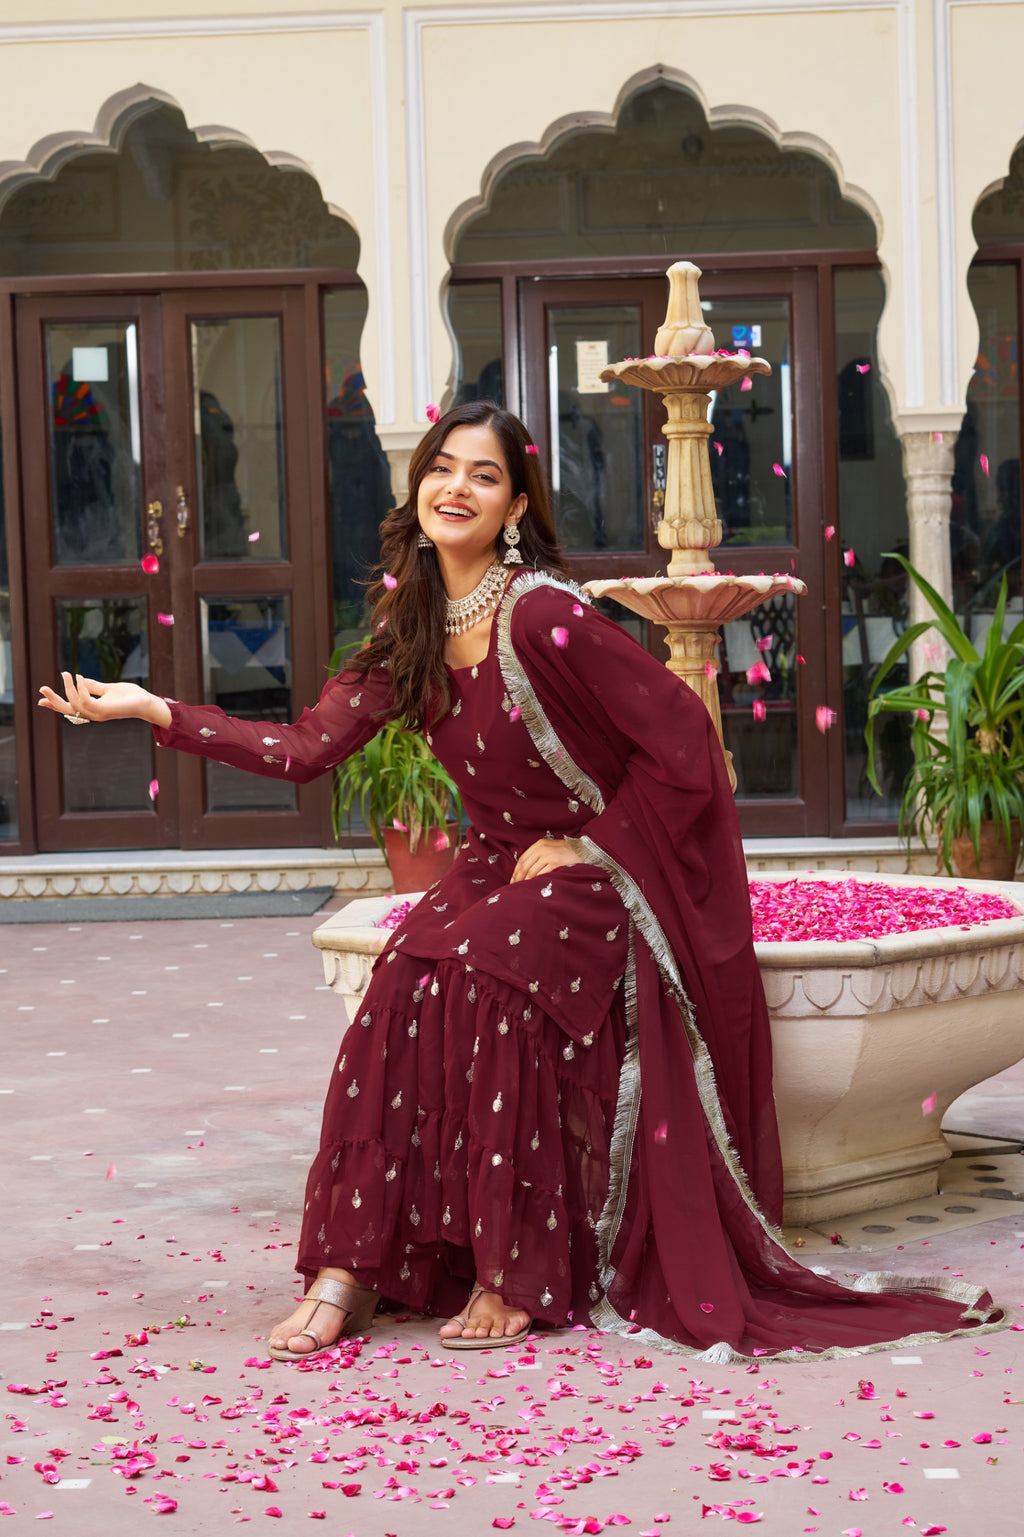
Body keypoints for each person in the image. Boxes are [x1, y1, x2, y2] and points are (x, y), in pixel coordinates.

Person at [39, 401, 1005, 1364]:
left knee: (494, 974)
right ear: (418, 484)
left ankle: (517, 1272)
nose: (457, 486)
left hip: (597, 869)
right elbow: (306, 748)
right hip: (499, 862)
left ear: (514, 505)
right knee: (401, 984)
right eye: (443, 468)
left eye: (484, 475)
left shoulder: (542, 613)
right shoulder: (410, 625)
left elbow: (683, 737)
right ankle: (347, 1268)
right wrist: (156, 708)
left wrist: (598, 846)